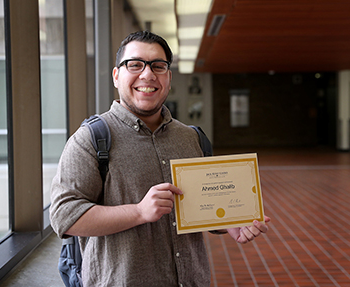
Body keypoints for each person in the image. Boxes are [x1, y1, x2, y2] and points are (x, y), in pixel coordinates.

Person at [50, 30, 270, 286]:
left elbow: (202, 206)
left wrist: (230, 222)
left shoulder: (191, 138)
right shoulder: (91, 139)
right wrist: (139, 212)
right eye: (135, 64)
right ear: (116, 75)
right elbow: (64, 216)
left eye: (158, 66)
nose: (147, 74)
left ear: (168, 77)